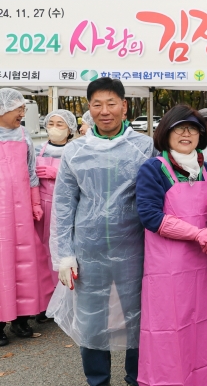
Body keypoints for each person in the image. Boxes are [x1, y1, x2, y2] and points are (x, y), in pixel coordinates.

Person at [50, 77, 155, 386]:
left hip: (135, 248)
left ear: (124, 106)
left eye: (112, 103)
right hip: (88, 251)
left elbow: (157, 196)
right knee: (92, 319)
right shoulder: (75, 151)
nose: (105, 111)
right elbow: (64, 205)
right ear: (89, 109)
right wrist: (64, 255)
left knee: (138, 314)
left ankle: (136, 378)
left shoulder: (143, 146)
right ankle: (98, 380)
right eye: (97, 104)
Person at [135, 105, 207, 386]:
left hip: (201, 267)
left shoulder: (206, 169)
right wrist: (195, 233)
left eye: (193, 128)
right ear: (166, 133)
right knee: (168, 333)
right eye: (179, 128)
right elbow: (150, 216)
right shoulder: (153, 168)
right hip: (166, 270)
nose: (187, 133)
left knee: (200, 330)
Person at [0, 88, 53, 346]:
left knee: (25, 261)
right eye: (18, 109)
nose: (22, 113)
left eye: (23, 109)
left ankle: (22, 318)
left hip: (21, 211)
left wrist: (34, 204)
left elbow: (32, 172)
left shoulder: (24, 136)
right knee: (3, 264)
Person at [34, 109, 78, 323]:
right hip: (40, 207)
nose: (54, 128)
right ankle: (42, 300)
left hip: (63, 208)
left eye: (60, 124)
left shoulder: (75, 150)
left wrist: (57, 173)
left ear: (70, 129)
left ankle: (62, 299)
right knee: (41, 253)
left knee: (59, 252)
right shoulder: (38, 149)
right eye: (51, 123)